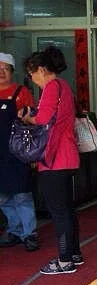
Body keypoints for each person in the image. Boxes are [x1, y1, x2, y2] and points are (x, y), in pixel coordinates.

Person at [19, 46, 82, 274]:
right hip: (67, 156)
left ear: (42, 70)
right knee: (67, 208)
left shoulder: (51, 87)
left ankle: (65, 260)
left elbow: (44, 118)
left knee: (59, 211)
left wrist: (28, 118)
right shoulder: (64, 86)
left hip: (55, 158)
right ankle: (74, 252)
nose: (32, 78)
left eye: (32, 73)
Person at [0, 52, 39, 252]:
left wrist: (32, 154)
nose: (1, 72)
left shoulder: (21, 92)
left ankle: (29, 233)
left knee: (22, 194)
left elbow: (32, 122)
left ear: (12, 72)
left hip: (17, 152)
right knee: (3, 196)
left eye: (5, 68)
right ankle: (13, 230)